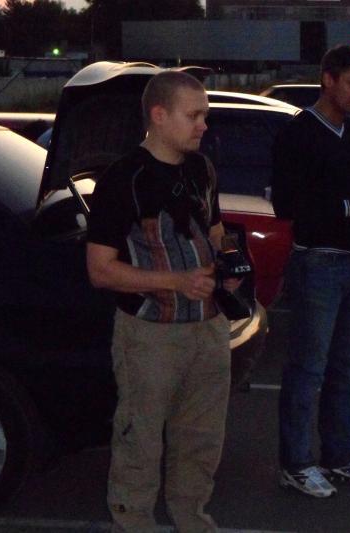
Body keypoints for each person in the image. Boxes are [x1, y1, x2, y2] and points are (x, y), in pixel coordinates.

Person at [86, 70, 239, 532]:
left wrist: (231, 267)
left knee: (201, 442)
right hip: (149, 336)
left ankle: (192, 521)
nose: (203, 125)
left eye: (204, 115)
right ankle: (134, 524)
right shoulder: (123, 179)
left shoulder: (201, 169)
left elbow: (216, 232)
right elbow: (100, 270)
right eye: (194, 116)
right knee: (140, 442)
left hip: (209, 329)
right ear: (159, 115)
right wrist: (177, 281)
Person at [271, 45, 350, 498]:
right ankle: (296, 463)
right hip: (317, 261)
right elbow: (287, 203)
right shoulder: (298, 132)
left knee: (345, 367)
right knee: (308, 368)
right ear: (328, 79)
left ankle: (341, 456)